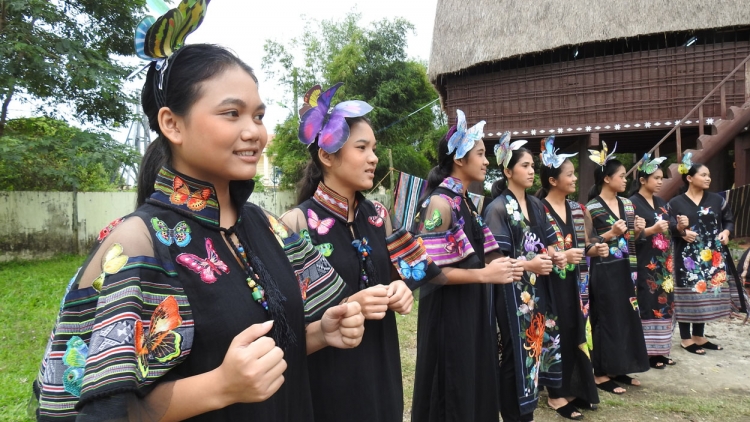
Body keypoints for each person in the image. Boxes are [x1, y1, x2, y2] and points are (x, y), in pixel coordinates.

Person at [32, 18, 365, 421]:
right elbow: (102, 410)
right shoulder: (137, 243)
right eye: (232, 114)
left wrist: (318, 332)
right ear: (172, 123)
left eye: (258, 116)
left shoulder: (265, 226)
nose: (254, 132)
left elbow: (264, 349)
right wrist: (219, 387)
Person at [280, 83, 442, 422]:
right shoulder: (296, 224)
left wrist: (401, 287)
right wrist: (348, 305)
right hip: (329, 380)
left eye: (374, 148)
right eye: (362, 148)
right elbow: (285, 322)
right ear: (327, 155)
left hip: (382, 370)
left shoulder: (378, 217)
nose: (374, 157)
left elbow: (415, 268)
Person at [410, 111, 522, 422]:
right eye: (481, 154)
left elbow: (488, 256)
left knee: (473, 380)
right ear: (459, 159)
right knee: (452, 386)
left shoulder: (467, 202)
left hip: (471, 310)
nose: (487, 162)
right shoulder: (440, 203)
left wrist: (523, 264)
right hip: (448, 317)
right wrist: (485, 275)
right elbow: (429, 271)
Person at [483, 135, 567, 422]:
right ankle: (512, 414)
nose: (532, 171)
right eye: (525, 166)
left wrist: (557, 256)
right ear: (507, 171)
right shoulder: (496, 208)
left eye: (533, 165)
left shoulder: (536, 204)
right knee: (514, 354)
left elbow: (548, 245)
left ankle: (527, 412)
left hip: (537, 292)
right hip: (511, 295)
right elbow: (495, 261)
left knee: (532, 352)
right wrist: (530, 264)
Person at [535, 136, 606, 419]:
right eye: (570, 174)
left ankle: (574, 386)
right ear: (553, 180)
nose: (575, 178)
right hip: (549, 284)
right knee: (554, 332)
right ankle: (554, 394)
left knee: (575, 330)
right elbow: (536, 248)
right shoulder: (538, 211)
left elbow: (582, 243)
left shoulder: (578, 210)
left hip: (576, 284)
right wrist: (565, 255)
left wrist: (593, 249)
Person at [585, 142, 649, 394]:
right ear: (606, 178)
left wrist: (639, 229)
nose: (625, 180)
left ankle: (620, 367)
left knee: (626, 317)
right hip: (603, 270)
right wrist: (610, 234)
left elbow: (633, 238)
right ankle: (601, 372)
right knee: (606, 319)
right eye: (621, 176)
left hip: (628, 267)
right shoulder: (590, 208)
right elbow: (586, 244)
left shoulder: (629, 205)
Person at [668, 154, 734, 355]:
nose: (708, 178)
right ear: (689, 178)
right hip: (686, 257)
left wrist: (726, 232)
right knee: (687, 295)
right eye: (703, 175)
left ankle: (699, 336)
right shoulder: (675, 202)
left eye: (709, 175)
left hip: (711, 256)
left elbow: (728, 219)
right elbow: (668, 225)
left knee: (703, 293)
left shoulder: (717, 200)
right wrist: (682, 232)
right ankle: (686, 338)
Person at [627, 153, 676, 368]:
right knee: (647, 303)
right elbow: (628, 237)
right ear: (642, 180)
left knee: (665, 303)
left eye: (661, 178)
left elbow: (671, 225)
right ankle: (646, 352)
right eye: (655, 178)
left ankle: (662, 351)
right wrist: (652, 229)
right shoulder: (632, 204)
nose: (659, 182)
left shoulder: (662, 202)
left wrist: (680, 225)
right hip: (645, 262)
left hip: (664, 263)